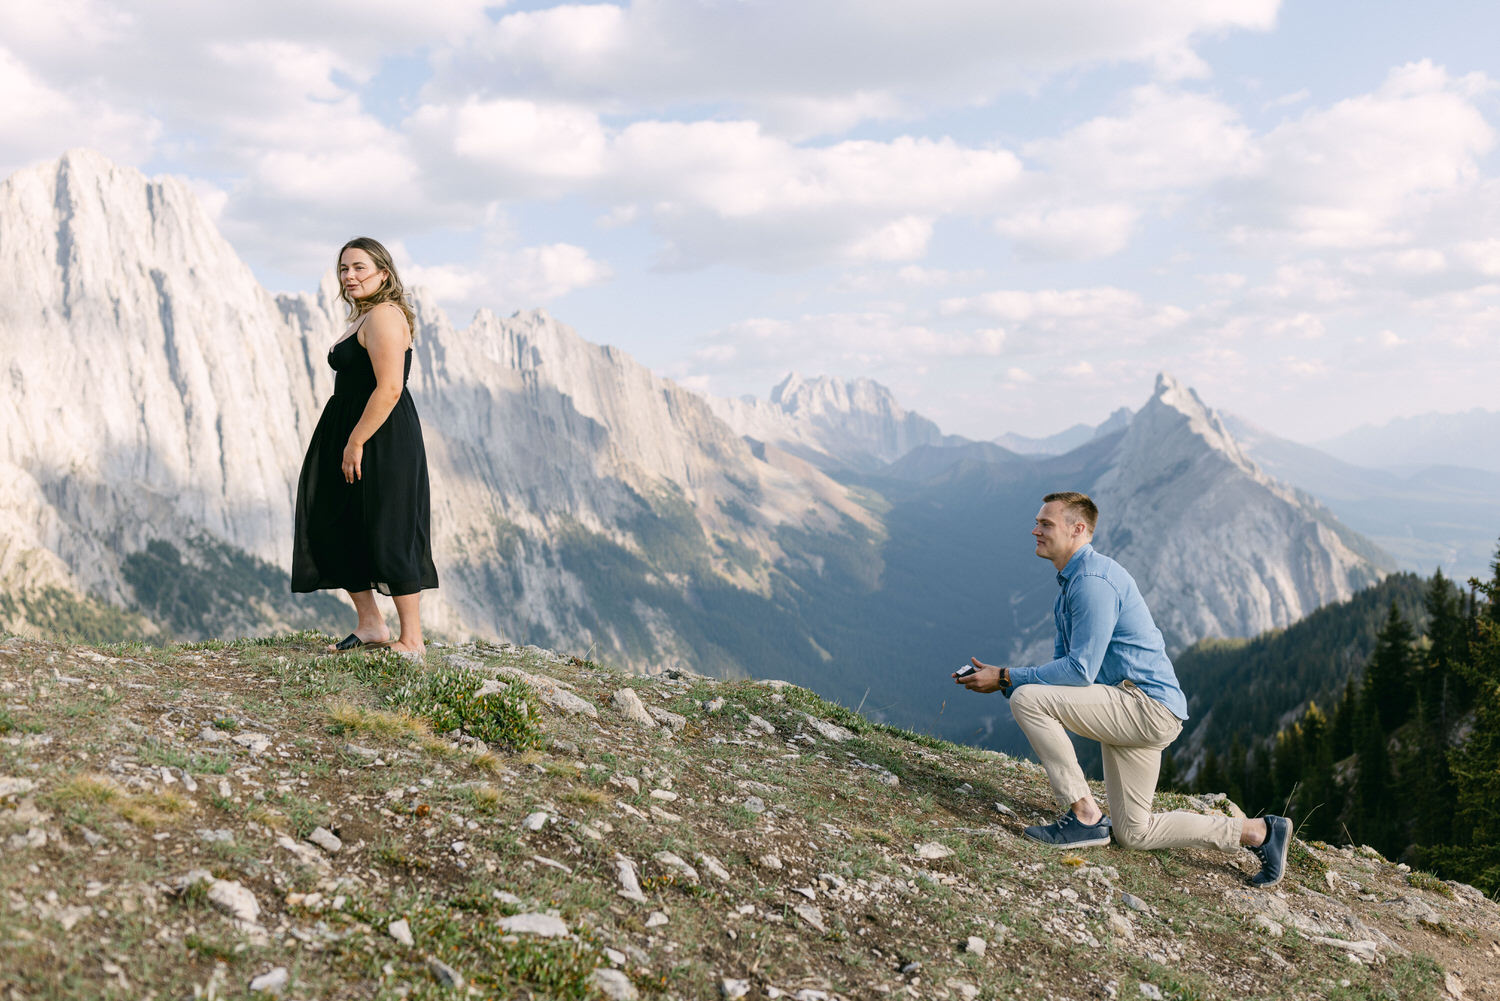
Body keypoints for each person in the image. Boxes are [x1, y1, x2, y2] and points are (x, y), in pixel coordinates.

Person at [954, 491, 1291, 887]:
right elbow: (1063, 670)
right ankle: (1259, 833)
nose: (1035, 530)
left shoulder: (1093, 583)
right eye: (1038, 522)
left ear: (1078, 529)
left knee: (1028, 698)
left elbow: (1079, 672)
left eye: (1046, 524)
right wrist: (1006, 678)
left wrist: (1008, 678)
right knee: (1135, 832)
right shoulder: (1071, 585)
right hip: (1135, 707)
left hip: (1144, 707)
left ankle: (1084, 816)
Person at [292, 237, 438, 656]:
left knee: (389, 528)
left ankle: (412, 639)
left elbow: (390, 388)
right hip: (350, 430)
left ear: (383, 274)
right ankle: (371, 624)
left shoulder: (386, 317)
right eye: (343, 269)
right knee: (335, 520)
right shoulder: (364, 317)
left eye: (359, 267)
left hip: (381, 436)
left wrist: (356, 440)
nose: (349, 276)